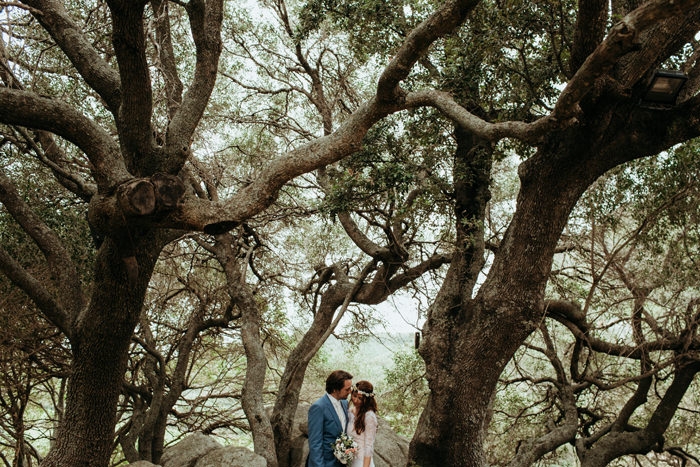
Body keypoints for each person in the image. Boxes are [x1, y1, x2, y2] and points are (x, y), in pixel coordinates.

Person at [307, 370, 353, 467]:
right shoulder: (318, 407)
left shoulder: (345, 403)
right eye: (347, 389)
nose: (350, 392)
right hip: (325, 463)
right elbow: (315, 443)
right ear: (335, 389)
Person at [348, 380, 378, 467]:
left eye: (360, 398)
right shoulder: (349, 411)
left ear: (366, 400)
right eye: (354, 396)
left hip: (362, 462)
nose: (356, 400)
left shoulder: (369, 417)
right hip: (349, 461)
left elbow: (369, 446)